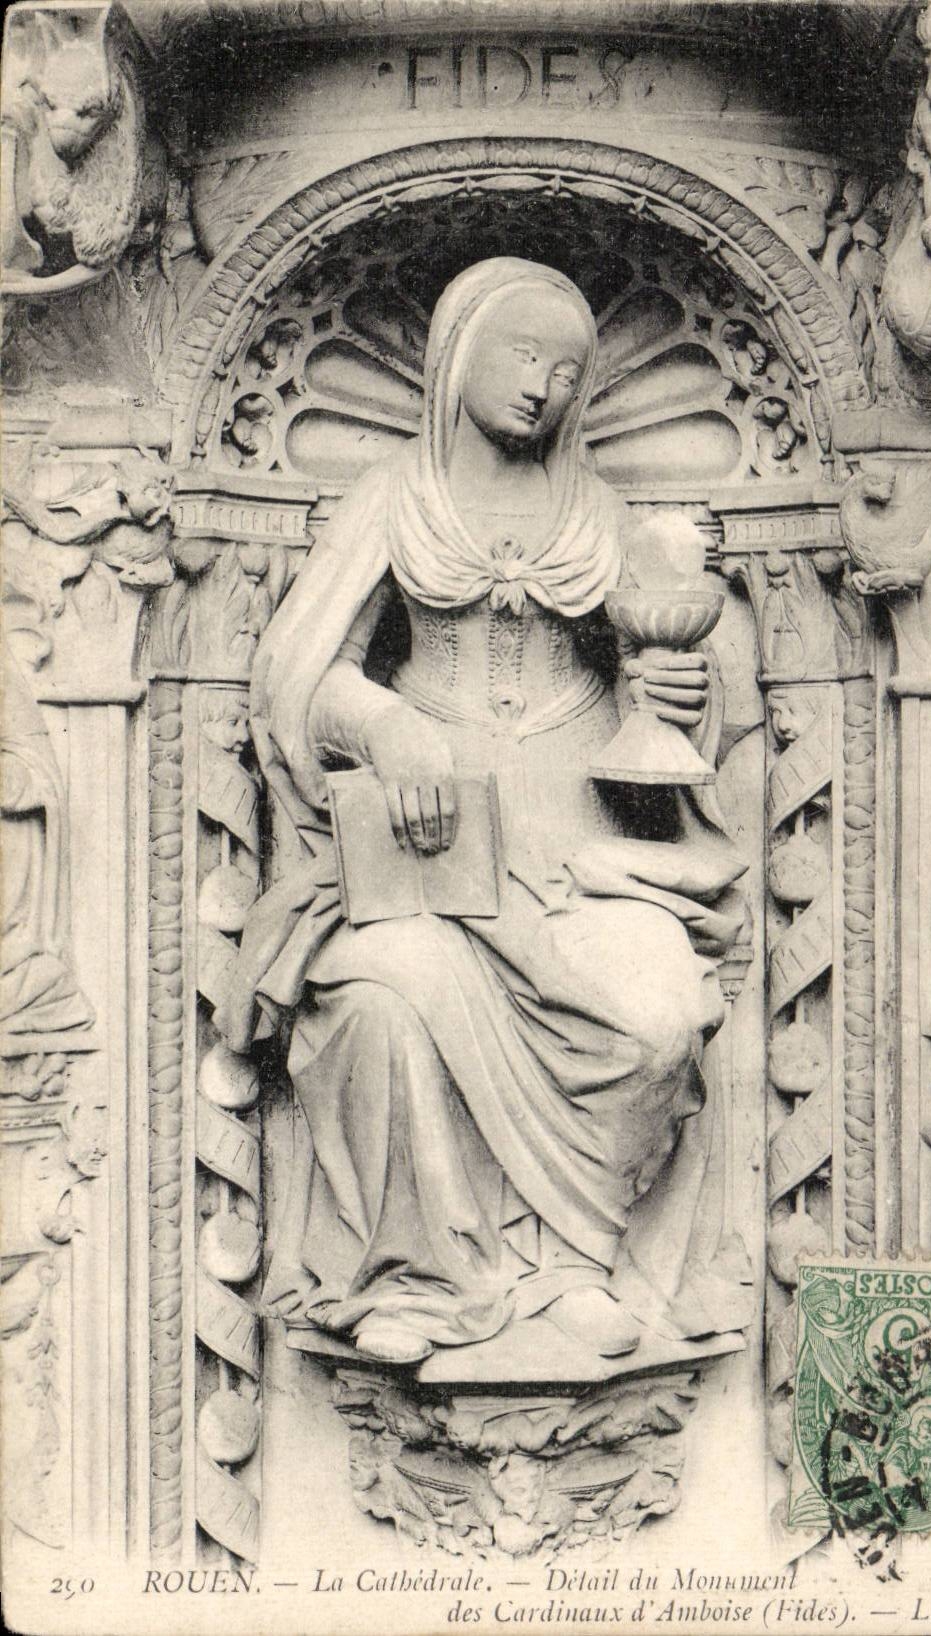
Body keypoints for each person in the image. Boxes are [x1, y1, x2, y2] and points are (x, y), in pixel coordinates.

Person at [218, 258, 749, 1366]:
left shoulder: (598, 512)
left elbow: (653, 693)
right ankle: (420, 1272)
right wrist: (386, 727)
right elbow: (297, 670)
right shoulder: (394, 500)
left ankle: (569, 1266)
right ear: (459, 357)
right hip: (431, 845)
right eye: (520, 357)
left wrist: (667, 702)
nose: (543, 387)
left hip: (581, 847)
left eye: (567, 369)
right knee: (383, 999)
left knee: (652, 1017)